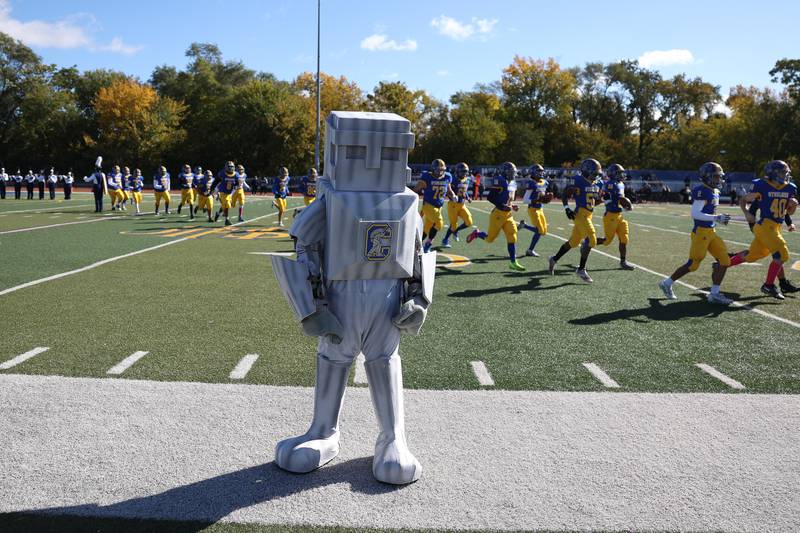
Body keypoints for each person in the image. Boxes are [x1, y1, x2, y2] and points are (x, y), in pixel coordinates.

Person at [271, 110, 429, 485]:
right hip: (340, 296)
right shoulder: (329, 198)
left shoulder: (406, 201)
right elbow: (304, 243)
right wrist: (311, 304)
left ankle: (393, 439)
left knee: (385, 358)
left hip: (387, 298)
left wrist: (420, 299)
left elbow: (418, 251)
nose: (374, 158)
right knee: (333, 356)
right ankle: (323, 431)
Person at [659, 162, 733, 305]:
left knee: (725, 260)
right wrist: (716, 218)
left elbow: (709, 212)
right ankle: (666, 283)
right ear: (707, 177)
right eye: (716, 177)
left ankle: (714, 294)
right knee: (693, 265)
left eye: (720, 177)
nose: (719, 179)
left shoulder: (714, 191)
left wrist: (717, 219)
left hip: (711, 231)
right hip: (701, 233)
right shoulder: (702, 190)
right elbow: (695, 214)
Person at [727, 160, 798, 300]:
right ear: (773, 173)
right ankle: (769, 285)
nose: (785, 175)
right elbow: (743, 200)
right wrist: (747, 213)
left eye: (786, 172)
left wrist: (793, 206)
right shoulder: (761, 185)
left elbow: (789, 211)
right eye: (782, 172)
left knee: (752, 255)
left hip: (776, 227)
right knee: (781, 254)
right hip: (764, 226)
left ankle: (722, 264)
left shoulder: (790, 187)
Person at [547, 158, 604, 283]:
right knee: (592, 239)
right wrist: (567, 208)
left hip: (589, 214)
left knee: (573, 242)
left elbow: (595, 200)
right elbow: (565, 194)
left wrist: (604, 199)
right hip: (580, 214)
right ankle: (581, 269)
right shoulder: (578, 181)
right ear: (585, 171)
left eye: (596, 173)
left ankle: (554, 259)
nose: (595, 176)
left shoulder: (598, 183)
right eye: (593, 173)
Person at [466, 161, 525, 271]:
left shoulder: (513, 183)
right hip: (497, 214)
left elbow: (509, 200)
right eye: (510, 172)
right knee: (489, 239)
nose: (513, 174)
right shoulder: (500, 181)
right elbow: (490, 197)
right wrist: (501, 206)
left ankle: (513, 262)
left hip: (508, 215)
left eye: (513, 172)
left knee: (512, 236)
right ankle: (477, 234)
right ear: (505, 172)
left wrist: (513, 206)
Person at [593, 163, 635, 270]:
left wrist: (626, 205)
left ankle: (623, 262)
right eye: (619, 173)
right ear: (613, 174)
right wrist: (628, 205)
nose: (621, 175)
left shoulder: (620, 183)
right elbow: (620, 199)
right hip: (610, 216)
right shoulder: (611, 184)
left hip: (619, 215)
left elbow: (619, 199)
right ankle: (587, 242)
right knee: (607, 241)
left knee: (624, 238)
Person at [414, 158, 455, 252]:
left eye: (442, 170)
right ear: (433, 169)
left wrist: (453, 195)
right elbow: (416, 190)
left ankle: (415, 245)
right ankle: (428, 244)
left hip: (438, 207)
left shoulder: (447, 177)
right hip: (428, 205)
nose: (440, 172)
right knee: (439, 224)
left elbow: (449, 190)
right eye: (438, 170)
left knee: (427, 228)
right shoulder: (427, 177)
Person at [517, 163, 550, 257]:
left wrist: (546, 197)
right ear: (533, 173)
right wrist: (538, 200)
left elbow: (543, 195)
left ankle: (525, 226)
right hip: (533, 209)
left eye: (541, 172)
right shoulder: (531, 183)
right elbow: (525, 200)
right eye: (538, 172)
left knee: (543, 231)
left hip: (540, 209)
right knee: (539, 230)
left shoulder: (544, 182)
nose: (541, 174)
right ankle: (530, 250)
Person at [441, 162, 473, 248]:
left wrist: (468, 197)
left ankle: (456, 231)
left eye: (465, 171)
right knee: (453, 224)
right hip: (453, 205)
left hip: (462, 205)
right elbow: (447, 190)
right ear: (457, 171)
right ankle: (445, 240)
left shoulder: (467, 179)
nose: (464, 173)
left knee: (469, 222)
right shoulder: (453, 179)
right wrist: (452, 196)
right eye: (462, 171)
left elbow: (464, 191)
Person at [214, 161, 237, 225]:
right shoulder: (222, 174)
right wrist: (217, 192)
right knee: (227, 205)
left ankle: (218, 213)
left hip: (229, 193)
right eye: (229, 167)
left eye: (232, 166)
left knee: (224, 205)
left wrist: (233, 191)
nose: (230, 168)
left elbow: (236, 185)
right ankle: (227, 220)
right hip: (222, 192)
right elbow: (216, 183)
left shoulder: (235, 175)